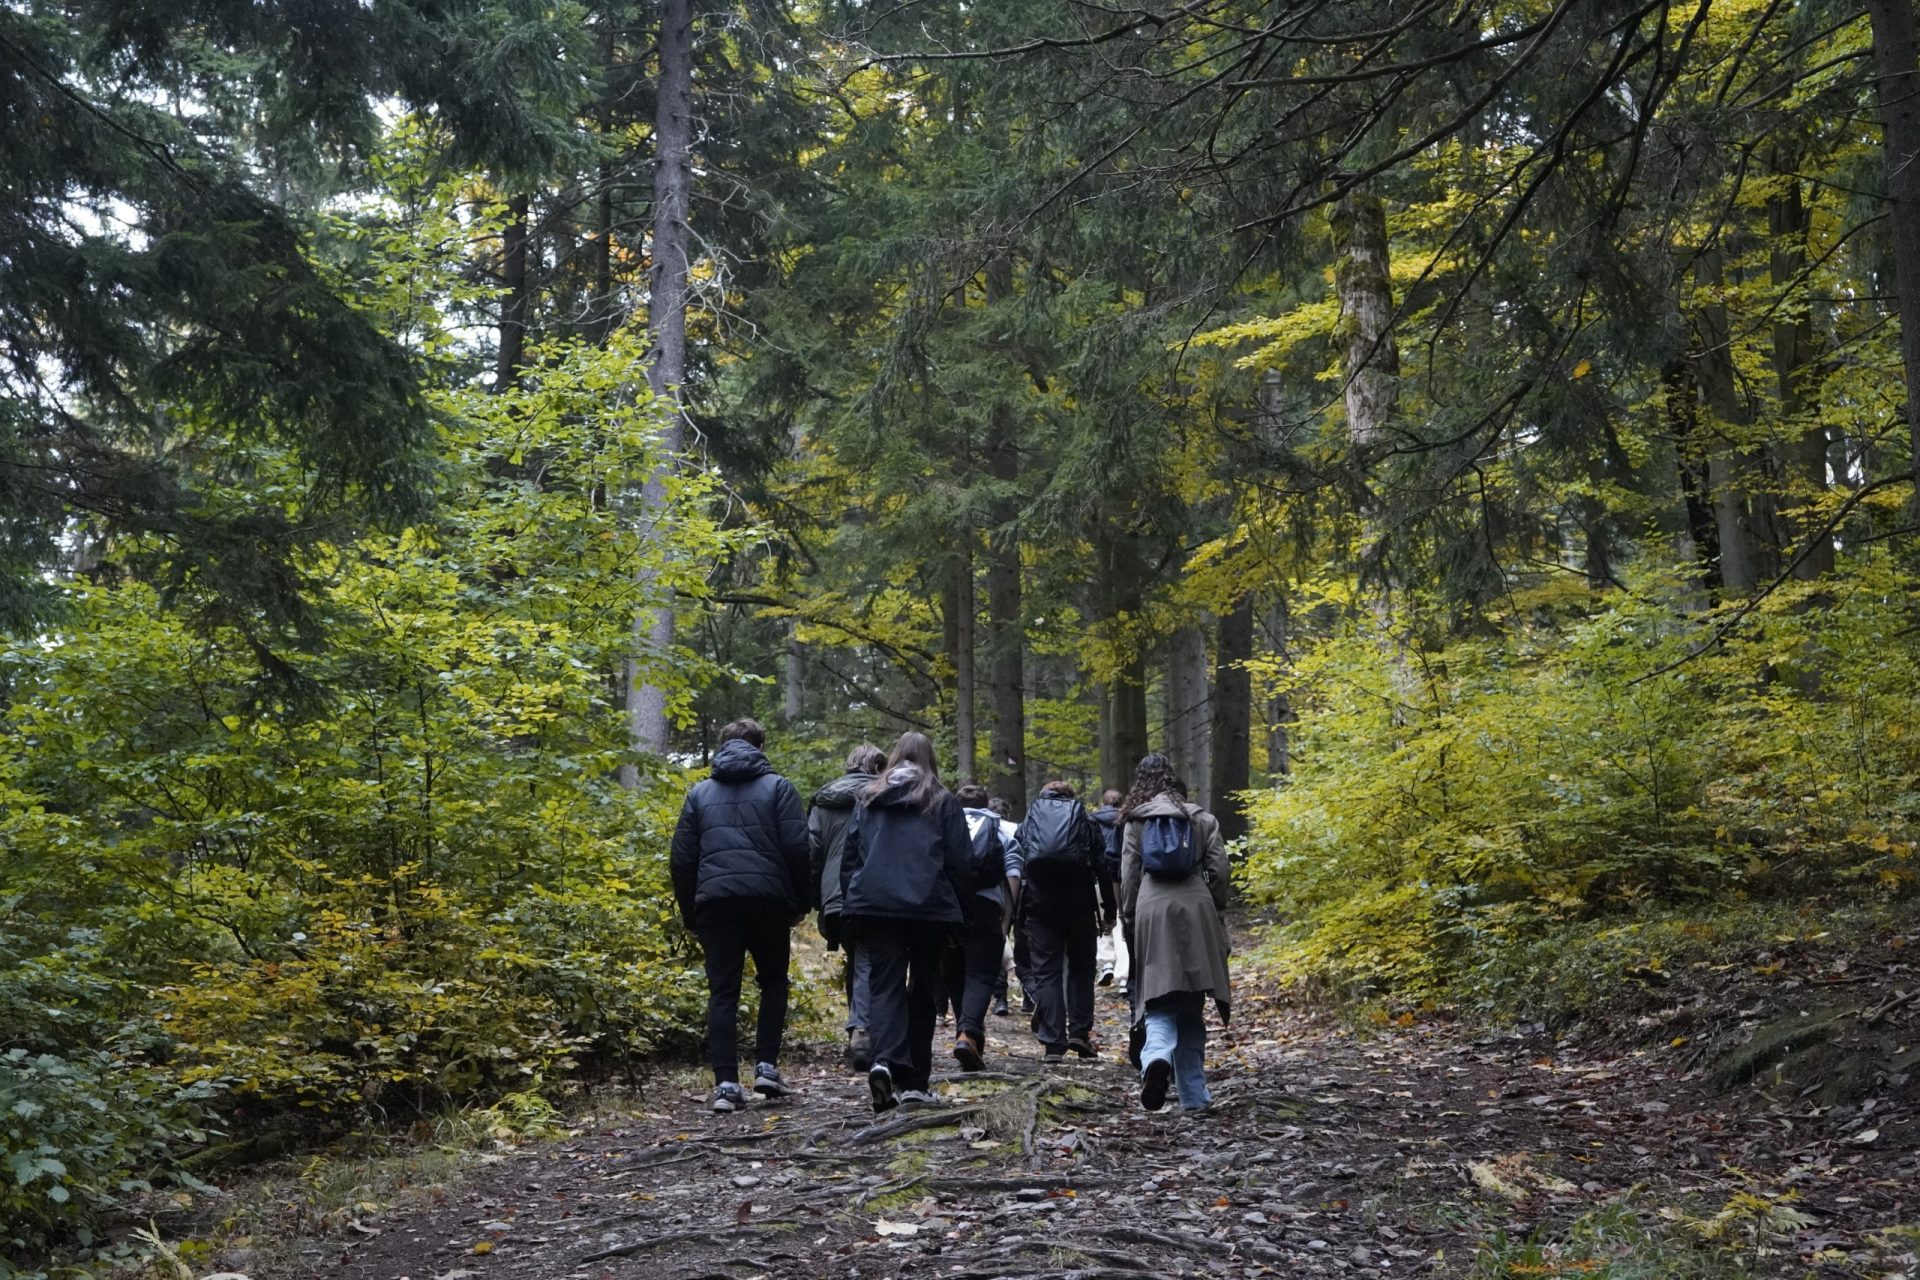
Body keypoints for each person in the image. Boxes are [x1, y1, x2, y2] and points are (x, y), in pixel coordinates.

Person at [670, 718, 810, 1113]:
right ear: (760, 747)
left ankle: (727, 1086)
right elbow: (799, 849)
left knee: (723, 993)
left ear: (723, 747)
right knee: (773, 983)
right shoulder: (779, 788)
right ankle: (766, 1066)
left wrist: (691, 914)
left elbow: (681, 860)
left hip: (716, 904)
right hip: (767, 901)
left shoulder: (699, 794)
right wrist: (801, 903)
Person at [840, 732, 972, 1113]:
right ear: (930, 759)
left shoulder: (868, 798)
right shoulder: (942, 800)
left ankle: (884, 1062)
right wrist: (962, 914)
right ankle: (915, 1082)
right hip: (930, 907)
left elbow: (852, 856)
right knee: (924, 989)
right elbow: (960, 861)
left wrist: (853, 903)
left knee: (884, 987)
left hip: (876, 905)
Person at [1118, 753, 1231, 1113]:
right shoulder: (1202, 818)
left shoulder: (1136, 821)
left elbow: (1129, 875)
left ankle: (1156, 1059)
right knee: (1192, 1002)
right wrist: (1216, 904)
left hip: (1153, 908)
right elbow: (1220, 869)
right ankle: (1195, 1096)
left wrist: (1130, 917)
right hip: (1196, 906)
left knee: (1158, 997)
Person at [1014, 780, 1114, 1060]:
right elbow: (1102, 865)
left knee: (1046, 971)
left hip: (1040, 903)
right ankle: (1079, 1034)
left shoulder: (1031, 818)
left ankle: (1052, 1042)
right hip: (1079, 903)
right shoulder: (1083, 818)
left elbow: (1018, 858)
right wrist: (1110, 909)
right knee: (1082, 969)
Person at [809, 743, 888, 1071]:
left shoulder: (824, 801)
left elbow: (811, 849)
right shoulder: (884, 797)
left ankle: (859, 1029)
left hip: (834, 896)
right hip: (874, 892)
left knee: (857, 959)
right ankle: (862, 1030)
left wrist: (815, 895)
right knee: (868, 960)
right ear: (879, 768)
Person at [948, 783, 1023, 1071]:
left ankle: (966, 1036)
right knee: (980, 974)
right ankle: (968, 1034)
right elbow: (1013, 872)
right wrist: (1007, 917)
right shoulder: (1000, 829)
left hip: (951, 909)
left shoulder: (946, 824)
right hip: (986, 908)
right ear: (986, 805)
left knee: (955, 973)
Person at [989, 797, 1027, 1015]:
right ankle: (1028, 995)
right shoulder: (1016, 829)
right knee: (1022, 945)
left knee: (998, 942)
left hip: (996, 891)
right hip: (1019, 891)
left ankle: (1000, 997)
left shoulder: (989, 828)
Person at [1089, 788, 1125, 987]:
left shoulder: (1091, 820)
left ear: (1103, 802)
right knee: (1121, 920)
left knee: (1101, 920)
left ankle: (1106, 964)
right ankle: (1124, 975)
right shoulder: (1127, 819)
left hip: (1099, 877)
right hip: (1121, 876)